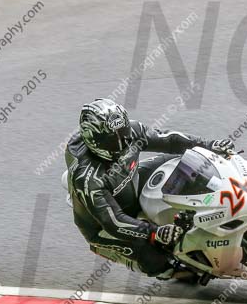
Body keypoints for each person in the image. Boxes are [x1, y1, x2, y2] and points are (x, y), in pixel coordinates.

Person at [65, 98, 234, 278]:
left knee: (182, 163)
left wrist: (208, 145)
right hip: (103, 225)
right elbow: (113, 222)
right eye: (114, 140)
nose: (123, 142)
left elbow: (169, 140)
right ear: (95, 141)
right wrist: (154, 232)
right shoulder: (87, 178)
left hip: (131, 182)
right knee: (155, 258)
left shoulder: (131, 133)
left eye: (123, 132)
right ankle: (169, 270)